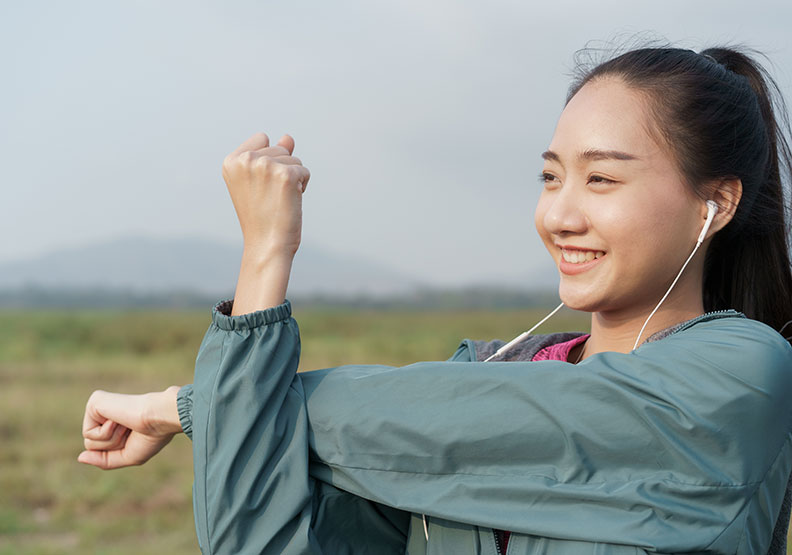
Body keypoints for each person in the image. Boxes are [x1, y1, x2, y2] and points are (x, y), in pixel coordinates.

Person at [78, 44, 792, 554]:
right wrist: (267, 256)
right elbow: (254, 538)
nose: (560, 215)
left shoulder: (740, 376)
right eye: (550, 178)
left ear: (716, 203)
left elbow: (473, 427)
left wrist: (205, 403)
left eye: (601, 180)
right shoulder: (486, 375)